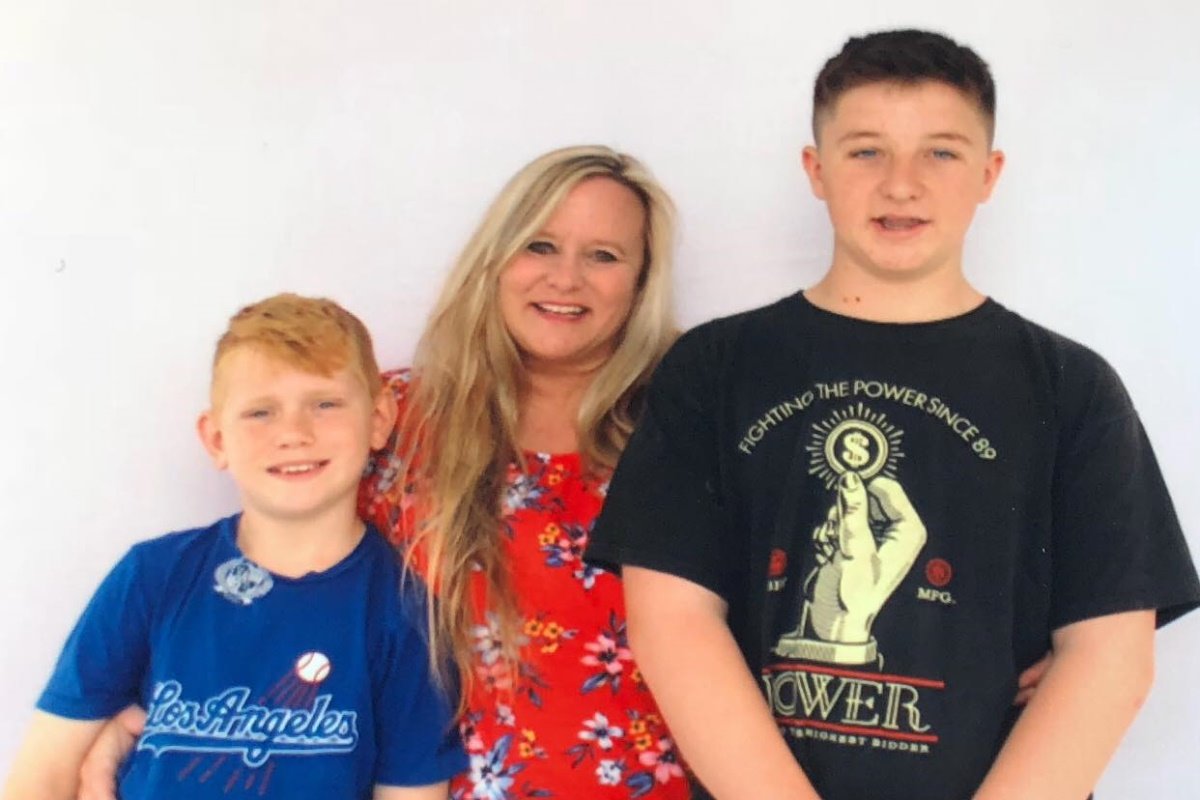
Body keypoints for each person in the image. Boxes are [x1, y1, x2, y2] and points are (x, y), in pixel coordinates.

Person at [586, 29, 1200, 800]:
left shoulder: (1071, 387)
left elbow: (1110, 657)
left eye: (940, 152)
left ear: (989, 173)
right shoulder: (714, 367)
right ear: (816, 169)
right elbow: (673, 622)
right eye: (866, 151)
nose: (901, 184)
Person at [74, 146, 692, 800]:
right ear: (496, 259)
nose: (565, 278)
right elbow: (284, 589)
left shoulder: (681, 443)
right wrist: (152, 721)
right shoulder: (393, 423)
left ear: (641, 281)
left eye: (604, 255)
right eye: (540, 245)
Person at [4, 294, 466, 800]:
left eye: (325, 404)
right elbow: (41, 775)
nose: (293, 433)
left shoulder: (406, 612)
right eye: (260, 412)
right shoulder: (153, 578)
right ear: (216, 439)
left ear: (378, 419)